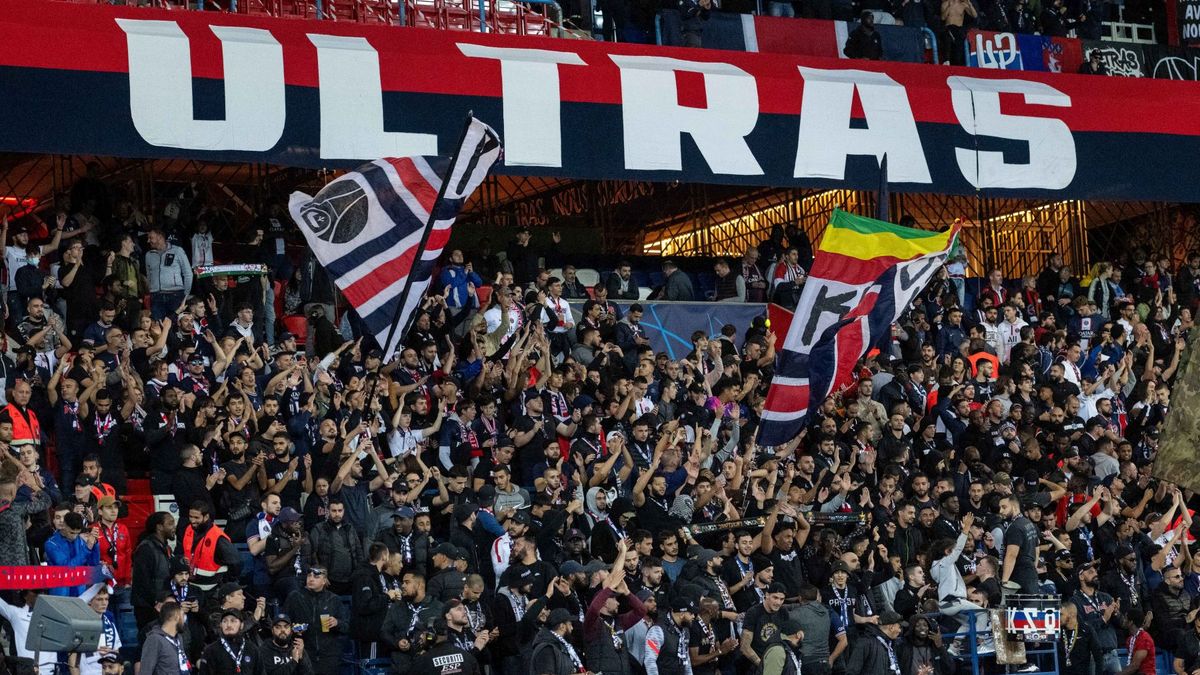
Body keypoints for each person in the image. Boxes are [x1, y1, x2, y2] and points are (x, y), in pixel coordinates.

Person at [198, 608, 260, 674]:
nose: (229, 625)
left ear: (241, 625)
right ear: (220, 625)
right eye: (225, 621)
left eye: (233, 621)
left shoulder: (252, 649)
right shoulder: (210, 651)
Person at [139, 601, 190, 675]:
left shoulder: (179, 638)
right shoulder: (154, 639)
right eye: (182, 615)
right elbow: (145, 671)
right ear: (176, 616)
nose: (184, 621)